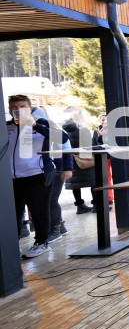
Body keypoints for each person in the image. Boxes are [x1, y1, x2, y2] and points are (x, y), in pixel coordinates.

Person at [7, 95, 67, 257]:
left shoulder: (42, 123)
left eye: (22, 107)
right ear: (9, 109)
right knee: (13, 212)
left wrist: (33, 124)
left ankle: (42, 242)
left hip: (37, 174)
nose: (18, 110)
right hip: (12, 178)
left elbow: (63, 139)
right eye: (14, 107)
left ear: (30, 108)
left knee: (39, 210)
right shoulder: (6, 127)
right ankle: (12, 245)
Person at [62, 109, 95, 215]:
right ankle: (96, 205)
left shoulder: (65, 130)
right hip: (84, 160)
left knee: (75, 184)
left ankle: (80, 206)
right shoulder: (83, 129)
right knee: (93, 181)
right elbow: (89, 146)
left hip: (71, 160)